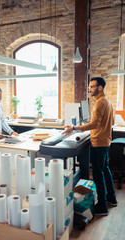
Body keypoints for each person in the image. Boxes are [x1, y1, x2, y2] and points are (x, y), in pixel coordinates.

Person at [63, 77, 117, 216]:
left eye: (92, 87)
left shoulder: (99, 103)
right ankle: (112, 198)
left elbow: (95, 124)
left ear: (99, 88)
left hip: (99, 143)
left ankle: (102, 207)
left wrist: (75, 127)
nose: (89, 89)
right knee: (105, 170)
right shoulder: (108, 101)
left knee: (98, 175)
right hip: (106, 141)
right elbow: (111, 121)